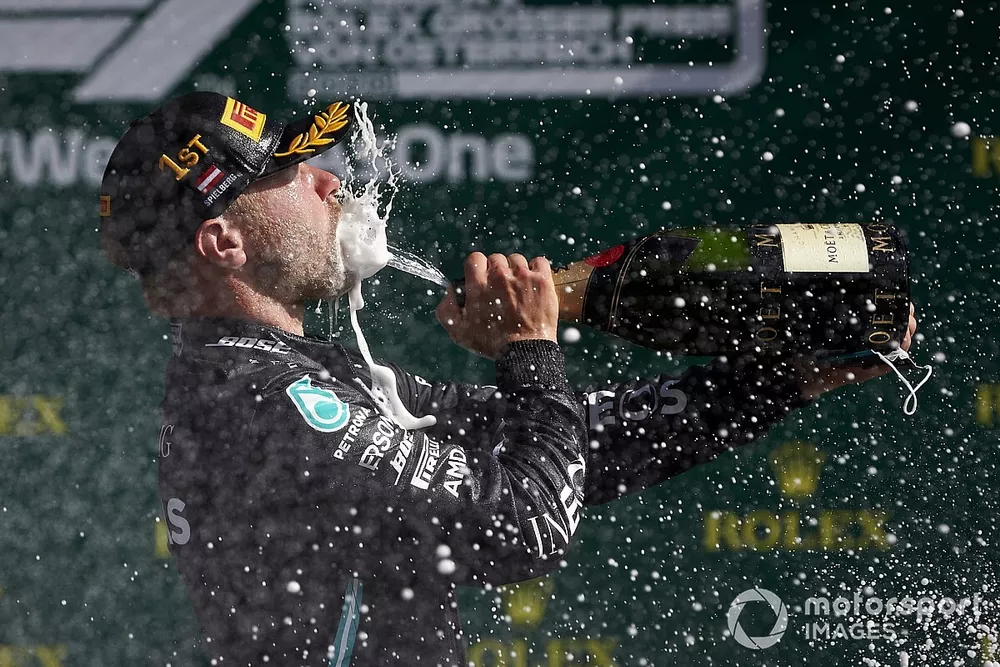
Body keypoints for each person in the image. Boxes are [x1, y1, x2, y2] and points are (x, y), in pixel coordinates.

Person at [99, 92, 916, 667]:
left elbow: (577, 446)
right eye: (290, 171)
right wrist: (529, 348)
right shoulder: (262, 403)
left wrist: (777, 381)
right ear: (224, 242)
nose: (329, 181)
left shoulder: (280, 375)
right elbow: (524, 524)